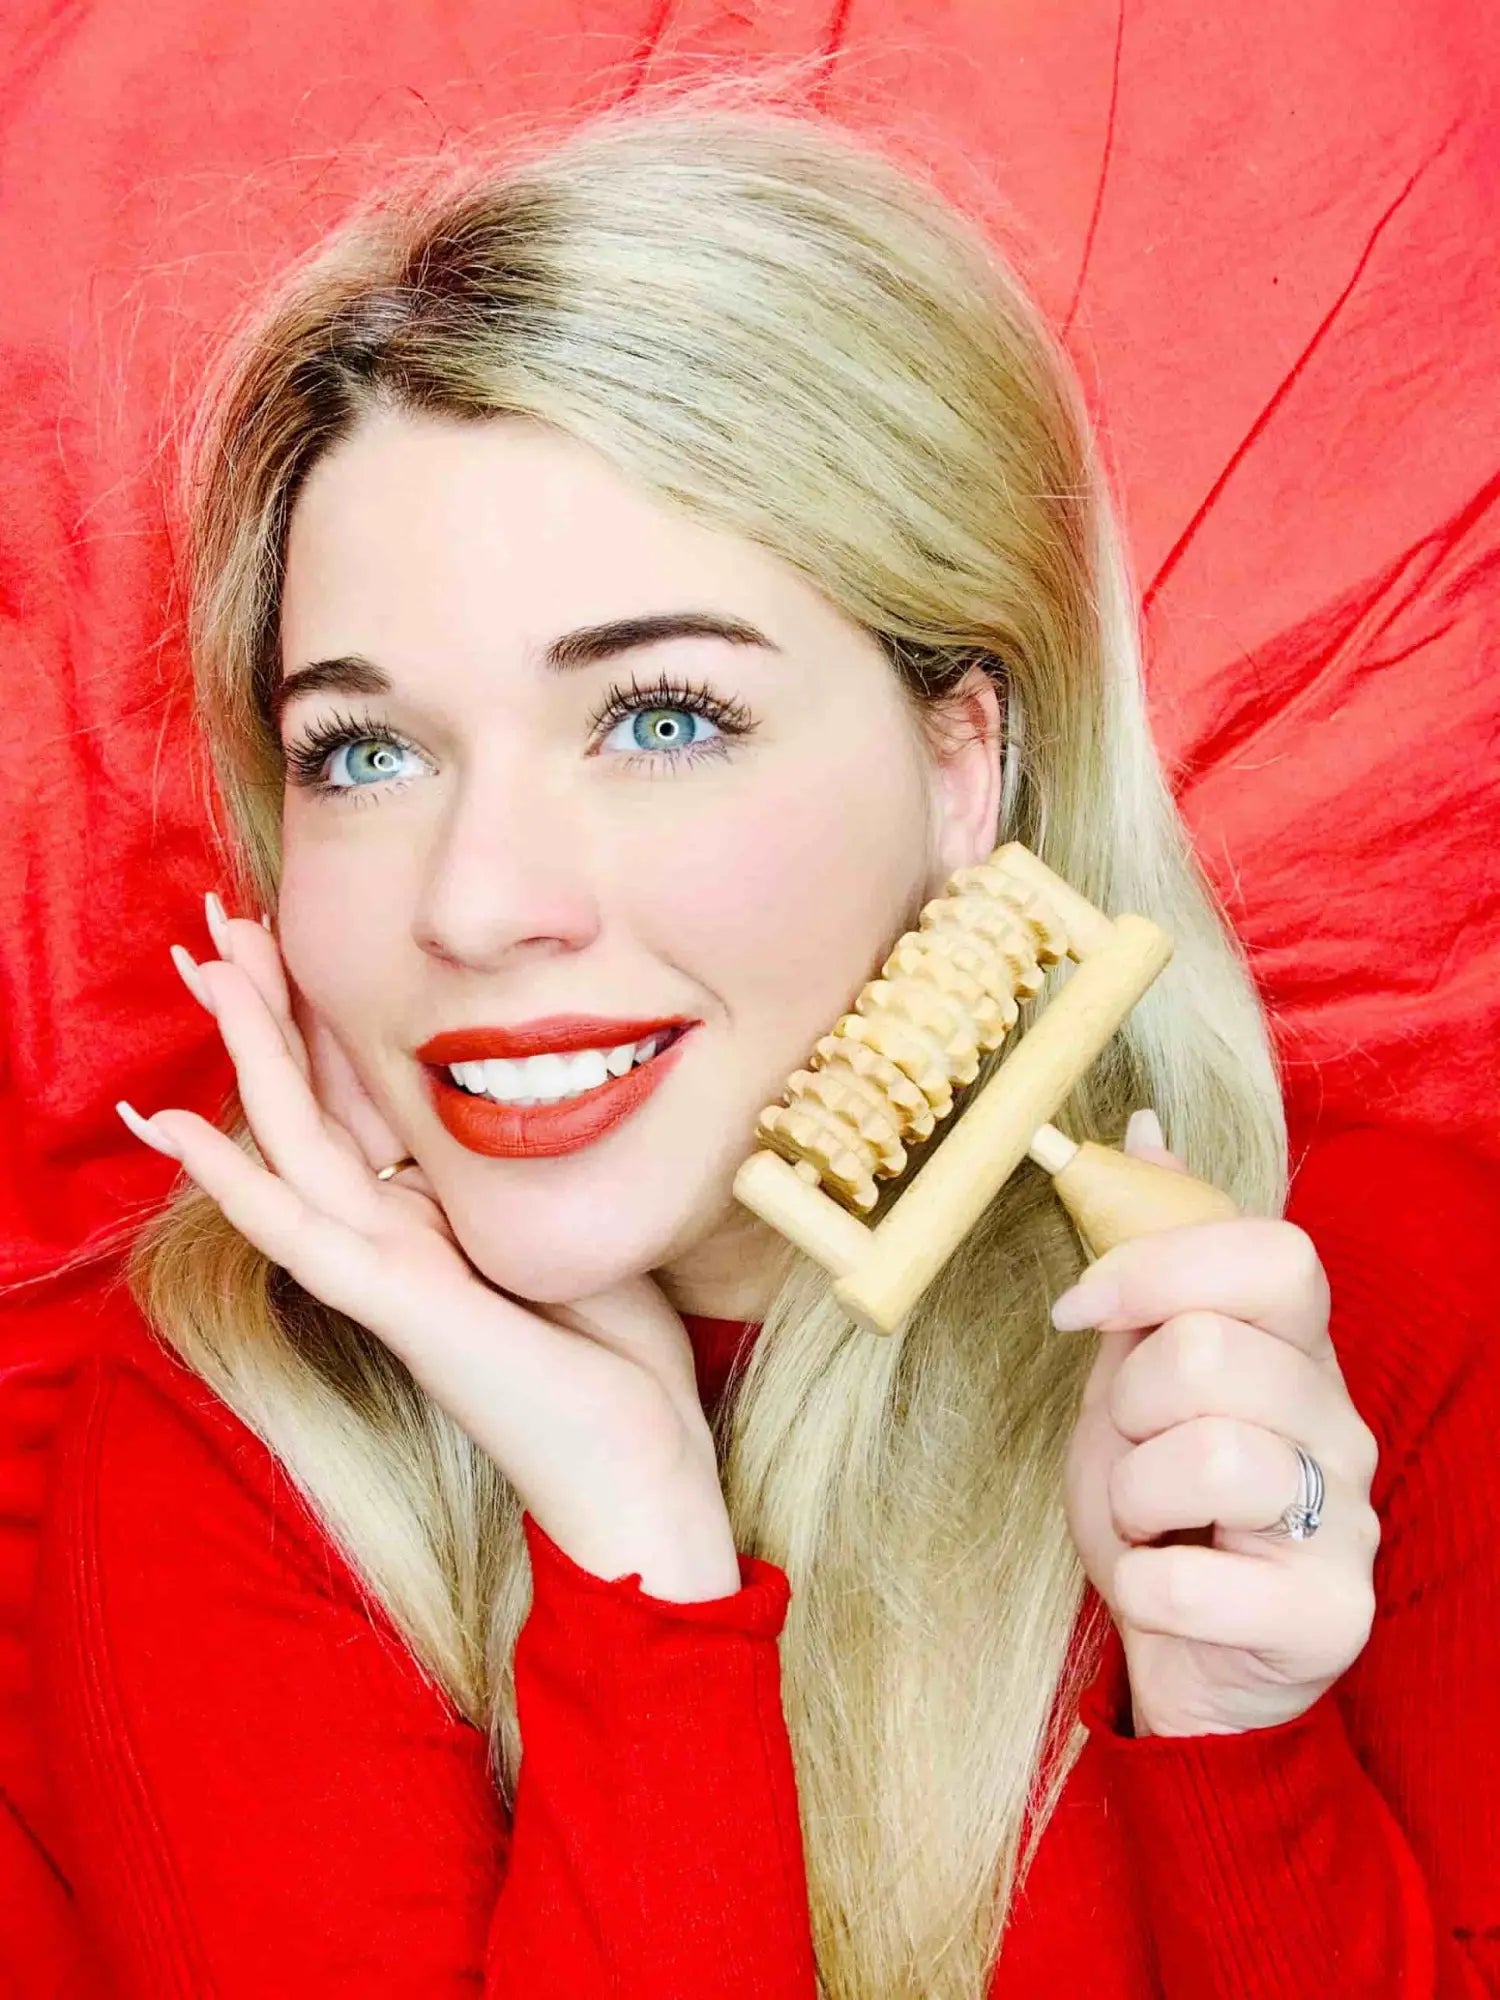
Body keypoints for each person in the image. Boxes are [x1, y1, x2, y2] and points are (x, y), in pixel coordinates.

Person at [24, 75, 1500, 1998]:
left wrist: (1236, 1732)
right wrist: (639, 1555)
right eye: (366, 750)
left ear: (962, 759)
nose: (477, 904)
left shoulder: (1385, 1322)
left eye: (659, 719)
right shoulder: (240, 1436)